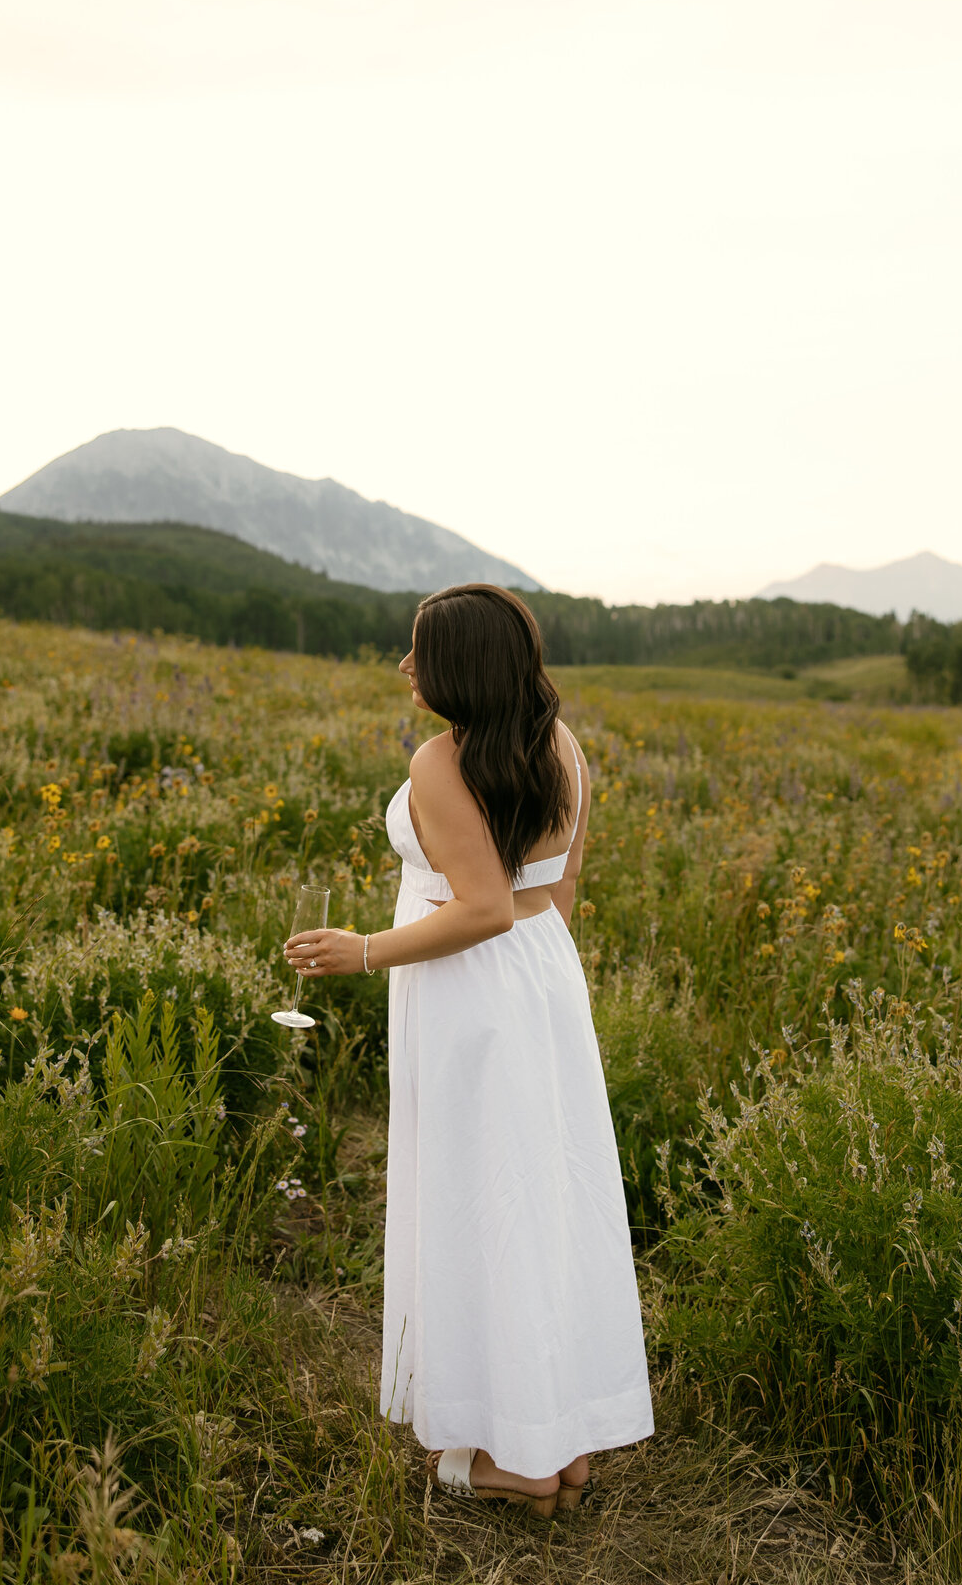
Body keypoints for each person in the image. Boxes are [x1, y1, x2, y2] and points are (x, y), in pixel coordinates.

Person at [285, 583, 653, 1518]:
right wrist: (539, 989)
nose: (405, 667)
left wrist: (362, 950)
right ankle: (552, 1442)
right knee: (536, 1199)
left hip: (466, 995)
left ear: (461, 668)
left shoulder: (442, 761)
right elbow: (553, 894)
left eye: (419, 652)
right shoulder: (561, 745)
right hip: (541, 984)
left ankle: (519, 1460)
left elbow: (481, 906)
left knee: (477, 1202)